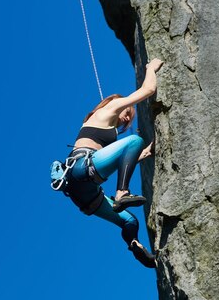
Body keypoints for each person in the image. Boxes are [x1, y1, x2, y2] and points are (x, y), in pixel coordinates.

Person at [62, 58, 164, 268]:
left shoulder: (99, 126)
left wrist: (146, 152)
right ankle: (122, 193)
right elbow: (148, 89)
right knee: (134, 140)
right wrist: (151, 68)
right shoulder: (110, 108)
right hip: (82, 168)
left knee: (130, 221)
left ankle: (134, 244)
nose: (128, 118)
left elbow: (123, 158)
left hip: (83, 194)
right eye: (129, 113)